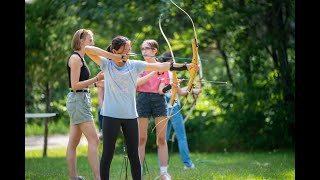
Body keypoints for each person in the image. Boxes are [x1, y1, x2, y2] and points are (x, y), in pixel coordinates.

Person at [84, 35, 198, 180]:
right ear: (114, 50)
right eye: (125, 50)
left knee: (134, 155)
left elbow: (160, 66)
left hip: (130, 116)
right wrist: (113, 57)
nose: (128, 53)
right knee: (107, 154)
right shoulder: (106, 64)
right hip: (110, 115)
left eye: (129, 50)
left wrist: (186, 66)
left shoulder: (134, 64)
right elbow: (87, 49)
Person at [66, 29, 102, 180]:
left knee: (73, 142)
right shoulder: (75, 59)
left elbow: (81, 84)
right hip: (78, 101)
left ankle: (73, 177)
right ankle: (98, 177)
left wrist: (98, 83)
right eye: (90, 40)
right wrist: (95, 78)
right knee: (94, 139)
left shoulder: (81, 58)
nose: (92, 44)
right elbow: (74, 85)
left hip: (79, 100)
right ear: (81, 41)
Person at [159, 51, 201, 170]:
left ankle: (163, 165)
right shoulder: (172, 74)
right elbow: (181, 92)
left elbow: (178, 91)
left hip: (163, 109)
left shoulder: (161, 72)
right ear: (170, 61)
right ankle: (187, 164)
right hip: (173, 108)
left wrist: (192, 90)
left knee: (163, 139)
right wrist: (193, 89)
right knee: (181, 137)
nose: (175, 62)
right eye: (173, 60)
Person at [136, 39, 171, 180]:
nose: (144, 51)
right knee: (141, 138)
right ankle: (138, 172)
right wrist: (153, 70)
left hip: (158, 100)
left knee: (162, 138)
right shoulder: (139, 66)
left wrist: (171, 87)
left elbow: (162, 90)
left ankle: (164, 173)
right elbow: (137, 84)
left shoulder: (162, 67)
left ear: (154, 50)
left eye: (147, 49)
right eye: (142, 49)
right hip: (142, 99)